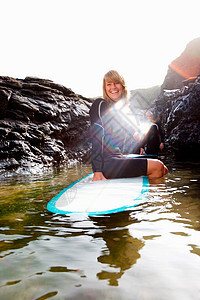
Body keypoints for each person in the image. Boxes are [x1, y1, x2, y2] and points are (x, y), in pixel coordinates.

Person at [89, 70, 168, 182]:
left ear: (122, 85)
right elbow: (96, 137)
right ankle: (153, 198)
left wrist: (139, 146)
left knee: (164, 169)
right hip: (106, 162)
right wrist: (97, 171)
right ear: (105, 88)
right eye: (109, 84)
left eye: (116, 83)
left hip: (118, 157)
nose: (113, 87)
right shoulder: (100, 104)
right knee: (158, 166)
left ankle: (150, 194)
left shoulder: (118, 111)